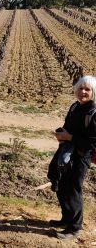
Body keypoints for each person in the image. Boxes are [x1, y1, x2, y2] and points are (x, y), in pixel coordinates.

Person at [50, 75, 96, 240]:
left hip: (81, 156)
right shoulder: (75, 107)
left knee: (73, 189)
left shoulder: (93, 112)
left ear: (93, 93)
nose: (83, 92)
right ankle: (66, 219)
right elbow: (69, 127)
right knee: (60, 183)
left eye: (87, 89)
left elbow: (93, 142)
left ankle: (74, 227)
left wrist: (69, 138)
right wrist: (61, 133)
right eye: (80, 89)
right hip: (66, 152)